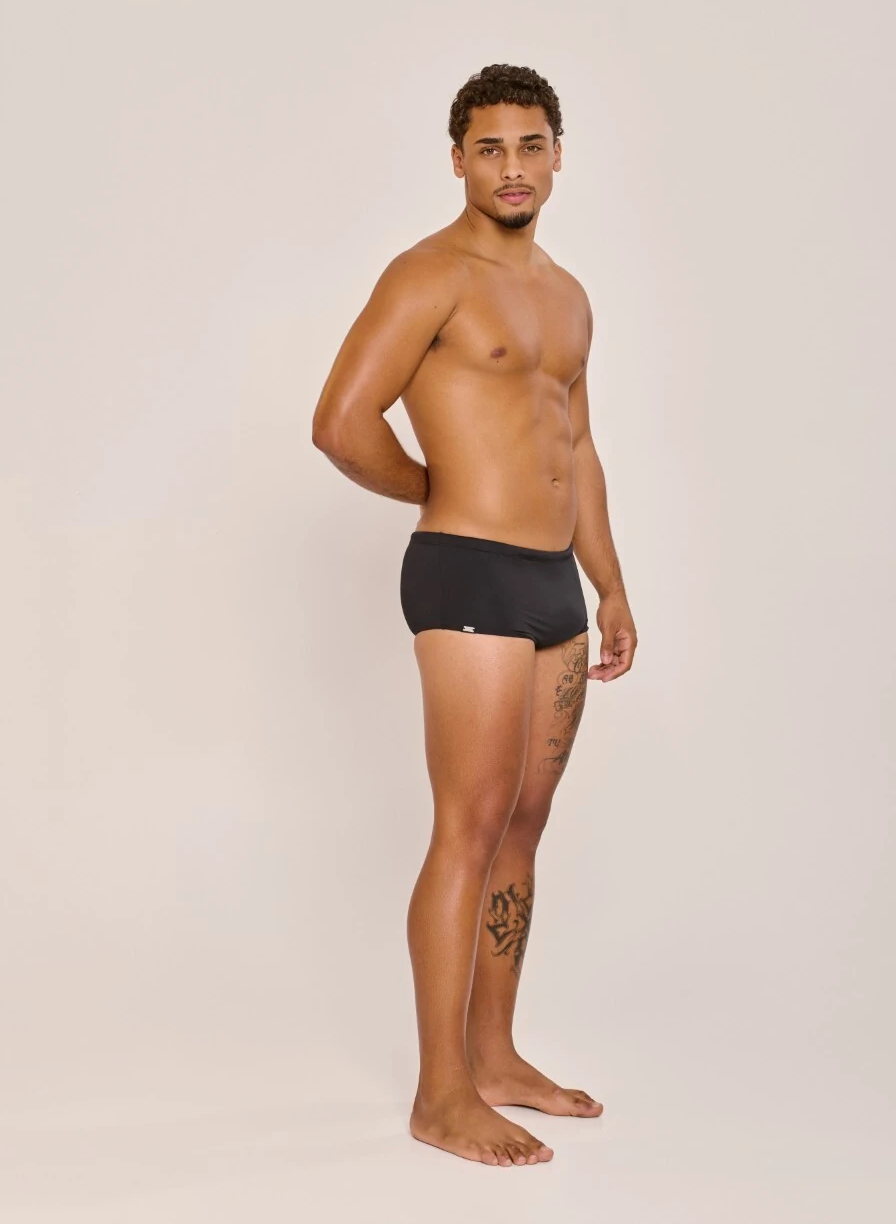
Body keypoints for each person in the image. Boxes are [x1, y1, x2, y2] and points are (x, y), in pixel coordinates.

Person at [311, 63, 638, 1168]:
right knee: (469, 822)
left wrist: (609, 581)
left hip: (552, 583)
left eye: (530, 144)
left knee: (523, 825)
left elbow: (577, 443)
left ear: (558, 154)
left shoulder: (567, 294)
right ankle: (439, 1092)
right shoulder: (429, 275)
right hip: (467, 574)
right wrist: (436, 489)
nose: (512, 166)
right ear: (457, 159)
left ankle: (493, 1056)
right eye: (489, 147)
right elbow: (341, 420)